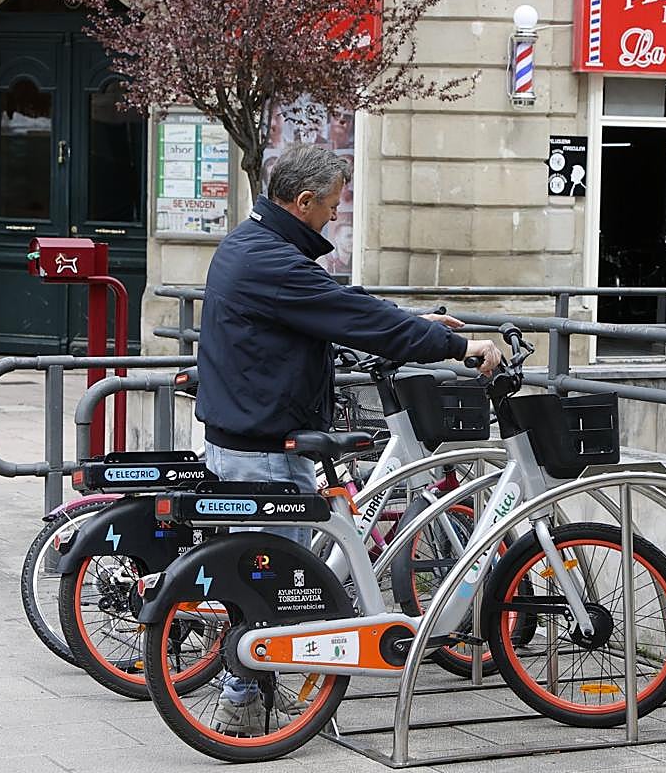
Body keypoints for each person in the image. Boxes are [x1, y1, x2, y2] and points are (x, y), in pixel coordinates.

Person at [195, 143, 502, 734]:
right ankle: (241, 698)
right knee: (270, 580)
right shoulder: (271, 261)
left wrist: (413, 322)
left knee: (281, 574)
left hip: (259, 430)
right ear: (303, 201)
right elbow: (340, 309)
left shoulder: (257, 245)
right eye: (331, 207)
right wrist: (459, 347)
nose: (335, 217)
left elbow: (336, 304)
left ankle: (257, 684)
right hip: (262, 445)